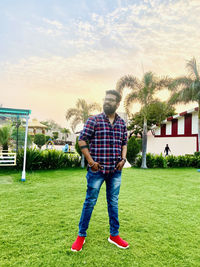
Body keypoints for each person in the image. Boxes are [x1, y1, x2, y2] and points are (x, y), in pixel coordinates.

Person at [71, 90, 129, 251]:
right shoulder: (94, 120)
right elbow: (82, 139)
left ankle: (114, 235)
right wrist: (90, 162)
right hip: (97, 171)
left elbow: (124, 142)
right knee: (90, 202)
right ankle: (81, 236)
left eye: (111, 100)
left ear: (117, 104)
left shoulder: (122, 123)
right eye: (106, 99)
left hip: (115, 171)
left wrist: (123, 159)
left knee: (113, 203)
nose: (107, 102)